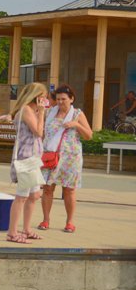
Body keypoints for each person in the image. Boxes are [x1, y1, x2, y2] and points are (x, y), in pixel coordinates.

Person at [39, 84, 92, 233]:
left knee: (69, 190)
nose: (60, 102)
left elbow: (89, 135)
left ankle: (69, 222)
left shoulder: (77, 114)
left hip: (71, 158)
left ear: (71, 99)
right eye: (58, 99)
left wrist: (76, 125)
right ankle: (45, 220)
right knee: (47, 188)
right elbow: (42, 133)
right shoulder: (50, 112)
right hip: (50, 157)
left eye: (63, 99)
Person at [7, 82, 48, 244]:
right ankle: (12, 232)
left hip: (33, 158)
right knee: (22, 196)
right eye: (43, 97)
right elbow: (38, 132)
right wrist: (42, 113)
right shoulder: (25, 110)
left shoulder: (31, 111)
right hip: (26, 157)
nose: (44, 100)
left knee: (34, 195)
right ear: (35, 97)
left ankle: (27, 229)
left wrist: (39, 112)